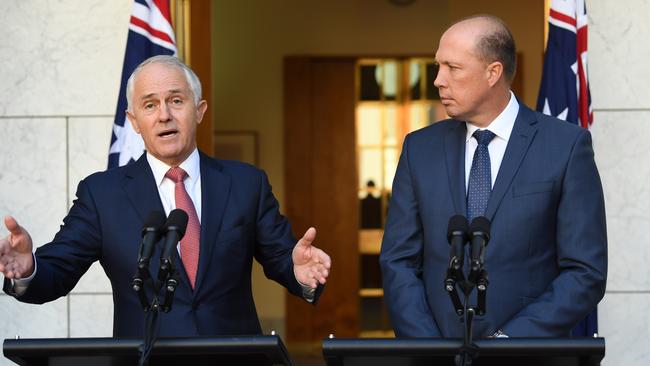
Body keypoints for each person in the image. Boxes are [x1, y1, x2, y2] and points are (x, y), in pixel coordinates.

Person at [1, 55, 331, 337]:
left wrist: (299, 272)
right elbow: (58, 271)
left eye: (176, 100)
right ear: (133, 121)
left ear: (199, 110)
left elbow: (281, 258)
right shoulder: (102, 195)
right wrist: (28, 267)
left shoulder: (246, 183)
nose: (164, 115)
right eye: (150, 104)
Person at [380, 15, 607, 338]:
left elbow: (585, 272)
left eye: (452, 68)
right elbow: (398, 261)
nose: (438, 80)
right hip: (434, 355)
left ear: (493, 73)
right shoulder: (419, 149)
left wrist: (508, 343)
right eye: (438, 66)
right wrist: (428, 347)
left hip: (527, 357)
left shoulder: (565, 147)